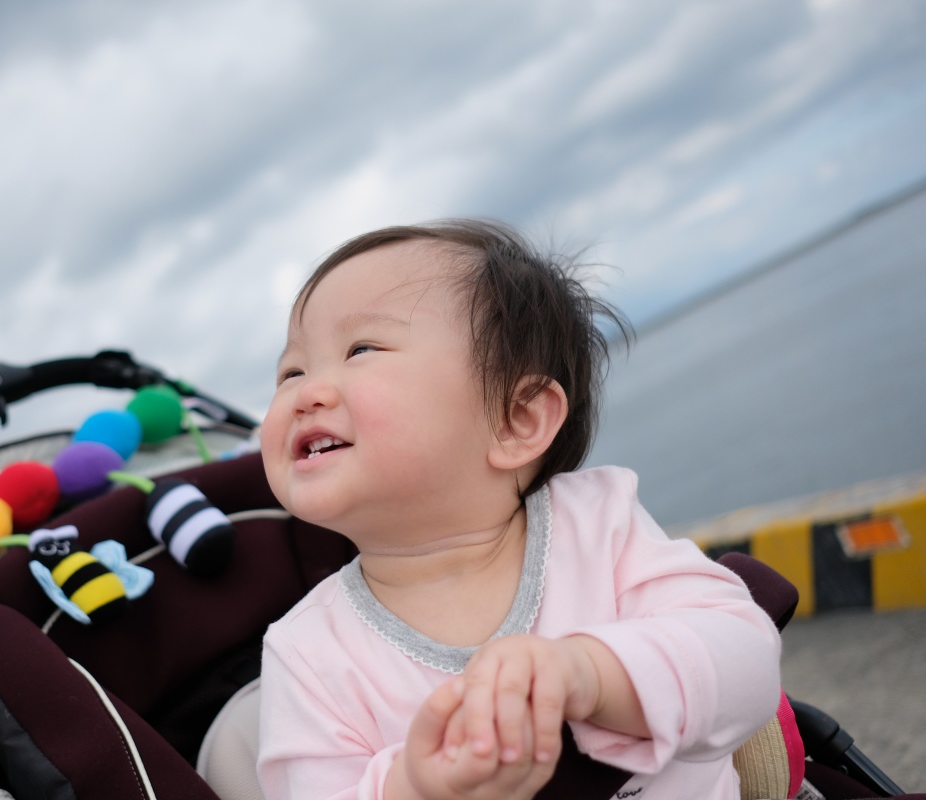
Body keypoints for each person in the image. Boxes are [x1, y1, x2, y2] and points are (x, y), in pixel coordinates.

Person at [255, 220, 782, 799]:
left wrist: (591, 674)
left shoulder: (595, 524)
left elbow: (747, 659)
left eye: (361, 349)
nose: (307, 393)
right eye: (291, 371)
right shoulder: (307, 652)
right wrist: (413, 787)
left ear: (517, 421)